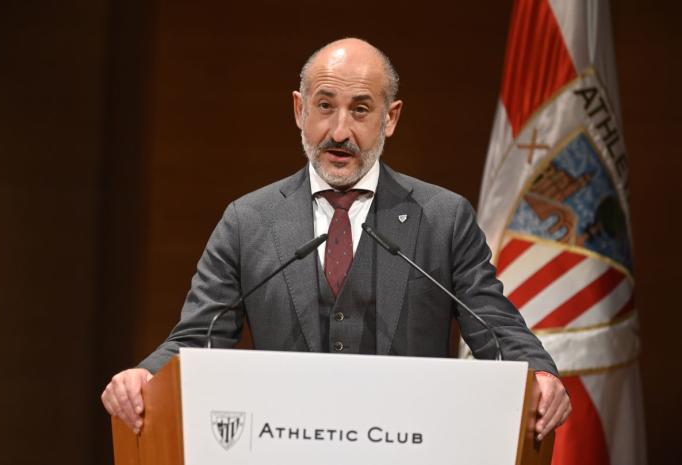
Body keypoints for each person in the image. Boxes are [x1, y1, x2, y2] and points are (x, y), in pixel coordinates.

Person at [101, 37, 571, 440]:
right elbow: (198, 339)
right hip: (282, 448)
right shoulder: (248, 221)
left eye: (361, 109)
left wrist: (541, 374)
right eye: (325, 106)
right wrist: (144, 376)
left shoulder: (443, 218)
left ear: (390, 118)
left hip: (411, 447)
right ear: (299, 110)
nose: (340, 131)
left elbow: (495, 327)